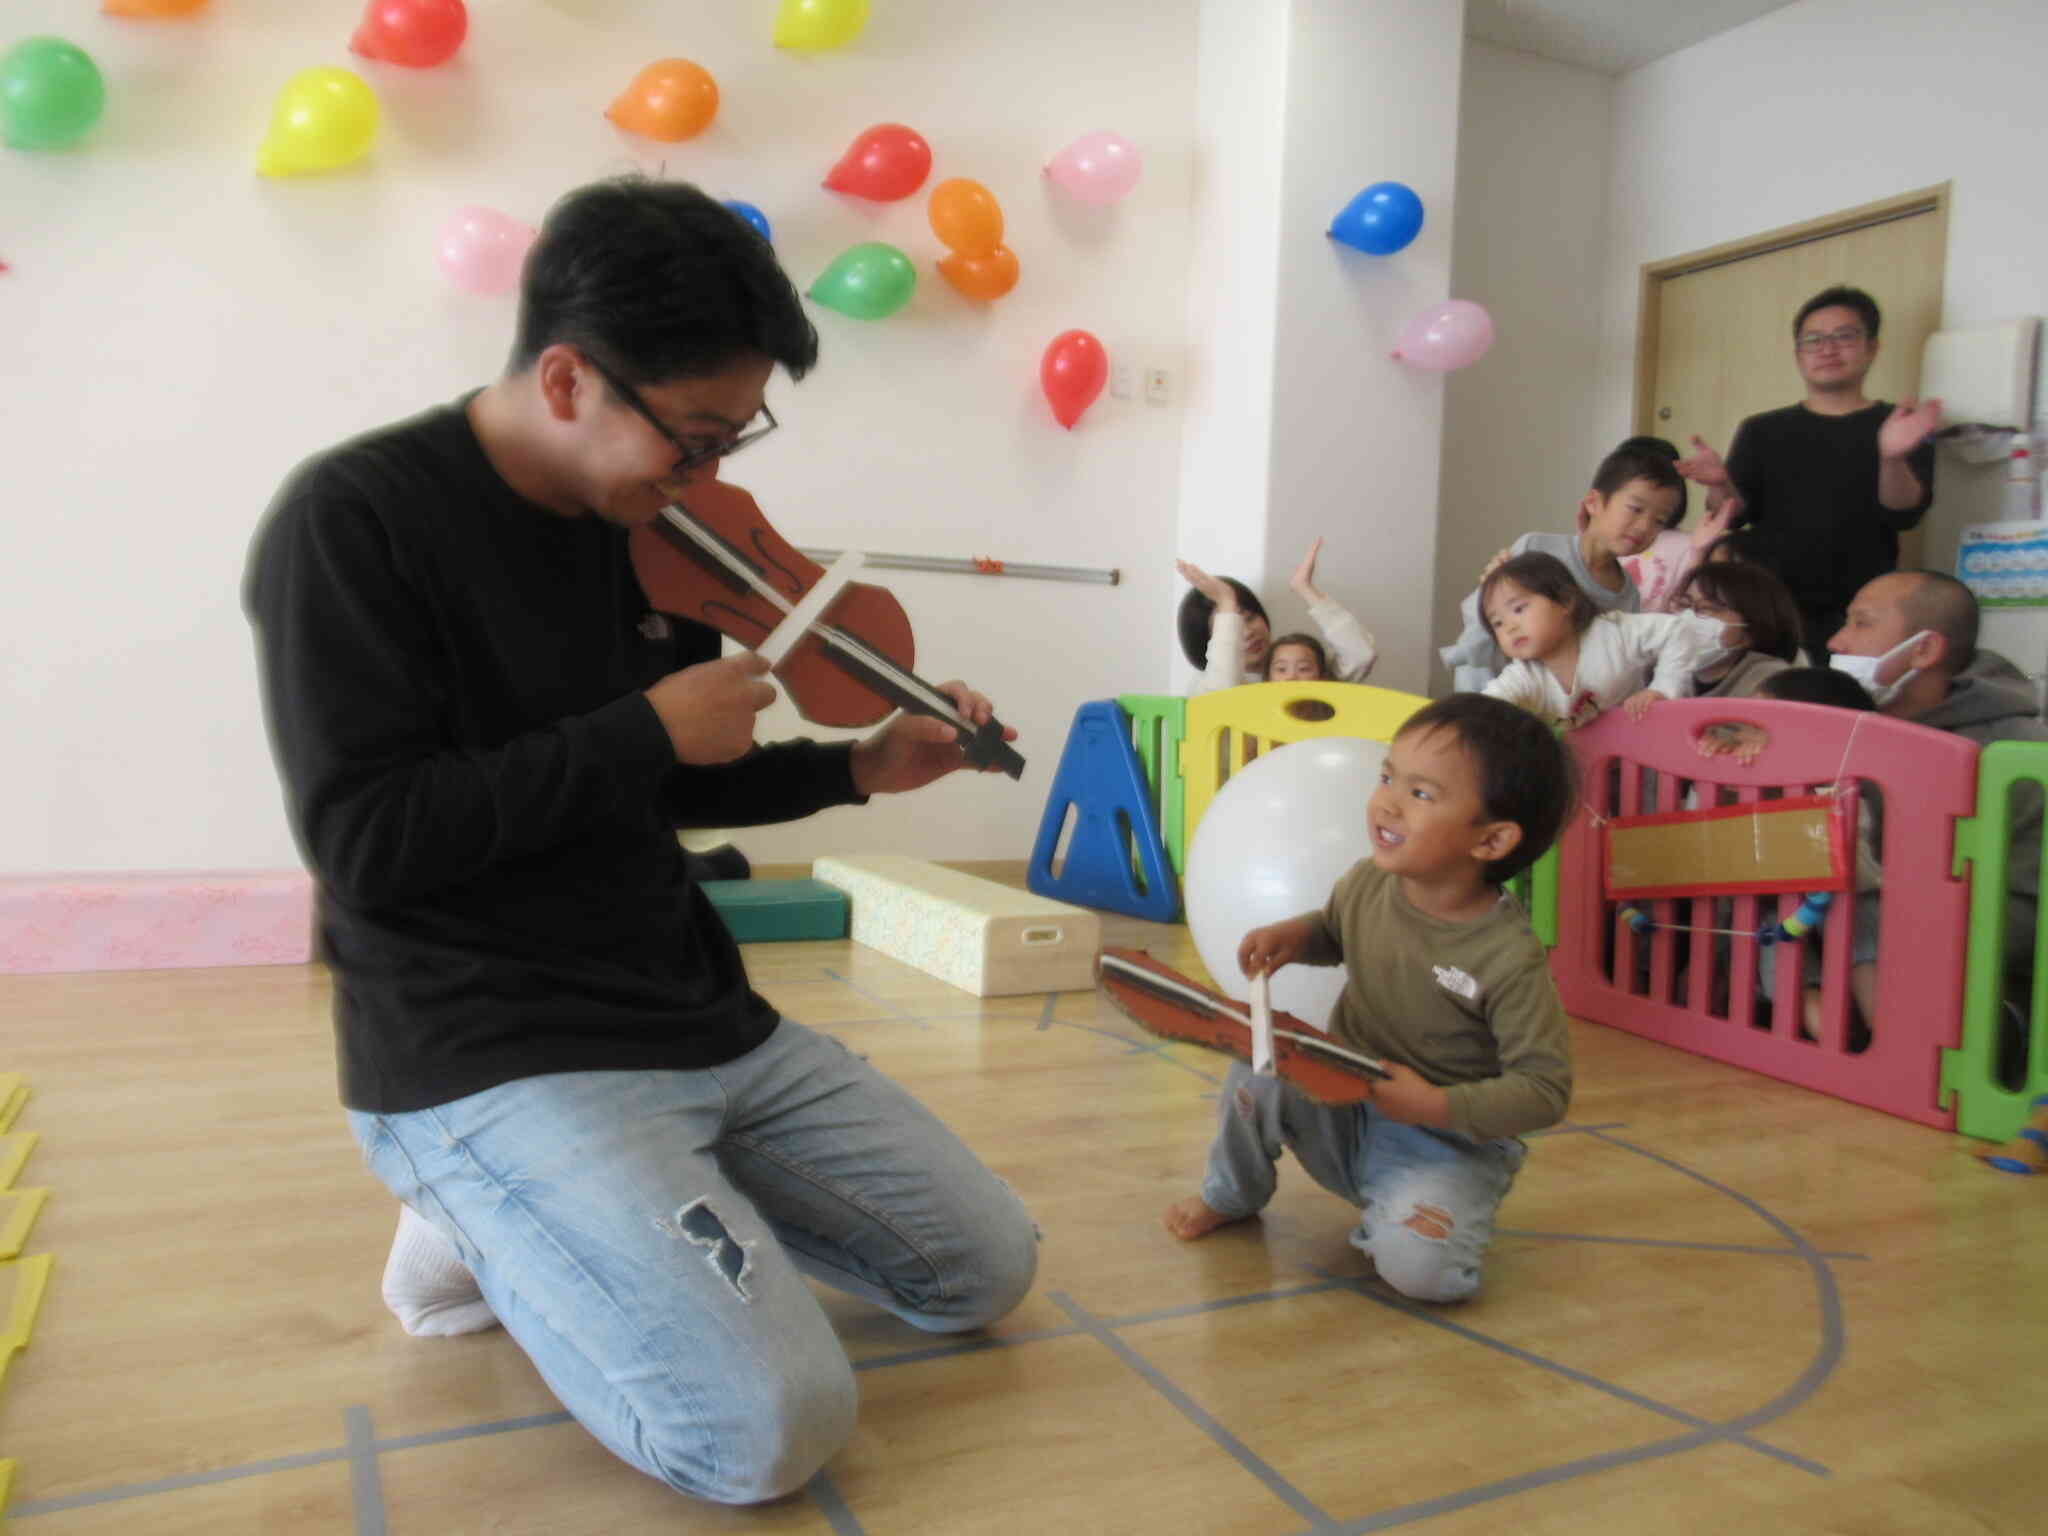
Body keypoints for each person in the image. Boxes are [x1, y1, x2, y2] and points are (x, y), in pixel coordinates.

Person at [242, 177, 1038, 1506]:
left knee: (980, 1273)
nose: (709, 478)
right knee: (764, 1434)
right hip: (482, 1048)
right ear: (567, 379)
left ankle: (612, 1206)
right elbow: (367, 842)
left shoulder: (643, 533)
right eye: (694, 439)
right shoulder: (354, 521)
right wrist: (640, 733)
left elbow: (652, 784)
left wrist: (852, 769)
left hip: (695, 1016)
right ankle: (478, 1207)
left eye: (735, 440)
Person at [1161, 695, 1576, 1303]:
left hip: (1444, 1144)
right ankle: (1232, 1194)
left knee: (1424, 1276)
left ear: (1491, 841)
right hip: (1340, 1097)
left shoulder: (1508, 959)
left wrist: (1433, 1106)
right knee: (1255, 1074)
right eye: (1387, 776)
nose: (1386, 800)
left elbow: (1545, 1090)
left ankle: (1407, 1213)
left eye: (1421, 794)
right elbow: (1335, 930)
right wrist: (1293, 938)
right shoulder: (1367, 881)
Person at [1675, 285, 1942, 662]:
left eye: (1844, 336)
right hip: (1766, 607)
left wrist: (1892, 457)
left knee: (1838, 711)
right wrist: (1720, 484)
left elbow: (1904, 514)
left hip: (1856, 612)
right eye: (1813, 340)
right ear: (1798, 352)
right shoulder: (1761, 429)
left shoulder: (1898, 424)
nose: (1828, 349)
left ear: (1872, 347)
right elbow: (1732, 516)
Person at [1828, 570, 2048, 974]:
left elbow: (2021, 908)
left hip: (1979, 946)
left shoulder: (2015, 750)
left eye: (1862, 623)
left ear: (1924, 650)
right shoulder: (1842, 724)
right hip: (1858, 933)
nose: (1837, 642)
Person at [1441, 439, 1684, 690]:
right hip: (1490, 690)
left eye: (1659, 520)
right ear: (1594, 503)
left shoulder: (1627, 593)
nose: (1645, 526)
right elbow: (1481, 622)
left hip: (1554, 711)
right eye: (1635, 509)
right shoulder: (1536, 546)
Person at [1478, 552, 1728, 730]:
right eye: (1497, 623)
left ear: (1565, 601)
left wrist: (1662, 688)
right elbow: (1484, 706)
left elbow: (1677, 631)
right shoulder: (1524, 675)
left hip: (1644, 750)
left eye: (1519, 609)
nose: (1509, 627)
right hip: (1586, 770)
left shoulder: (1613, 632)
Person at [1176, 536, 1377, 691]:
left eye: (1250, 618)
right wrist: (1227, 603)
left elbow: (1361, 655)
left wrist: (1305, 588)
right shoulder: (1204, 684)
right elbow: (1223, 695)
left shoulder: (1301, 669)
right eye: (1233, 627)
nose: (1247, 633)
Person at [1615, 435, 1743, 613]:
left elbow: (1691, 616)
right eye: (1634, 507)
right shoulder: (1607, 541)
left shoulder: (1691, 546)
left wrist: (1719, 485)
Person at [1670, 560, 1805, 698]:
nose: (1688, 616)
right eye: (1684, 604)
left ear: (1751, 630)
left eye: (1708, 608)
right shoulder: (1658, 669)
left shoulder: (1772, 684)